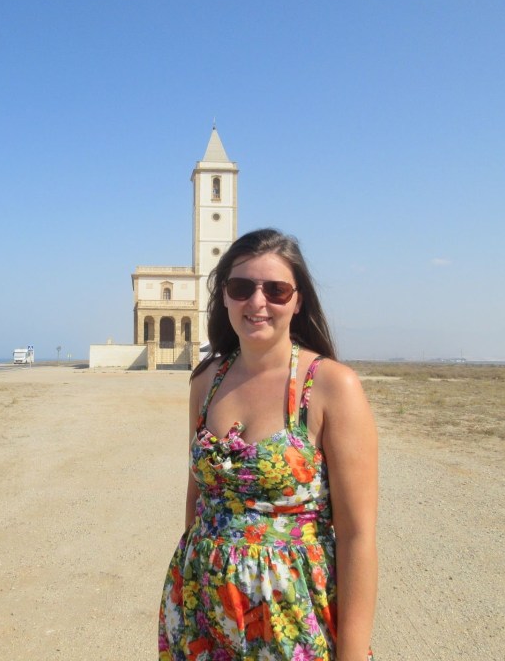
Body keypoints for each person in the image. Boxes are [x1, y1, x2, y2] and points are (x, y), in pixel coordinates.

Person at [158, 228, 378, 661]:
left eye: (276, 290)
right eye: (242, 288)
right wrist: (189, 596)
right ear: (224, 296)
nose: (257, 303)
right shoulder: (207, 381)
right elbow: (197, 498)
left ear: (297, 301)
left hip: (290, 617)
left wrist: (353, 653)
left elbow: (357, 536)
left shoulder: (331, 386)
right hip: (201, 612)